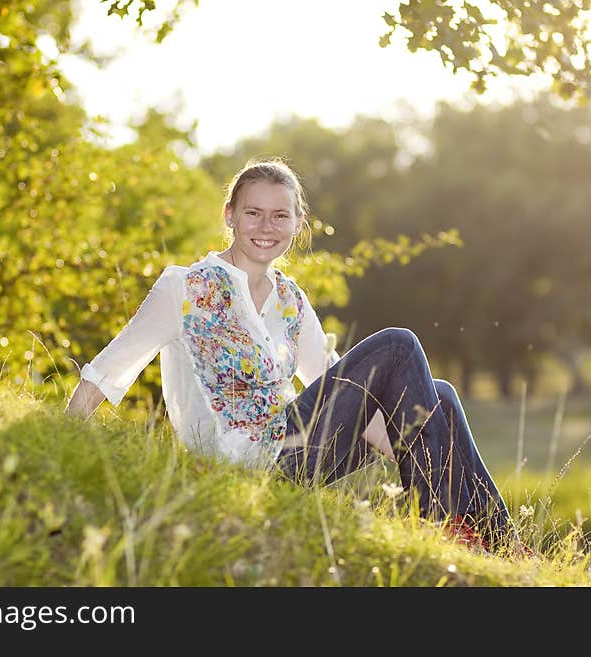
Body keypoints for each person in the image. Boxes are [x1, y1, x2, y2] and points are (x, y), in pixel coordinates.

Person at [65, 157, 531, 557]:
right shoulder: (185, 287)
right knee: (397, 344)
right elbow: (109, 368)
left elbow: (342, 392)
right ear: (229, 215)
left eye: (279, 216)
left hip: (296, 451)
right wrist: (60, 437)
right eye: (253, 213)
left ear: (297, 223)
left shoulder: (290, 298)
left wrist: (419, 440)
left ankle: (498, 543)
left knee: (442, 398)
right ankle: (449, 524)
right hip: (239, 460)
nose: (266, 227)